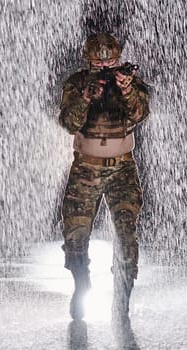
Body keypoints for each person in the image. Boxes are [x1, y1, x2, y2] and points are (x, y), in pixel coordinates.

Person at [58, 33, 150, 322]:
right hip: (86, 168)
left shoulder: (131, 84)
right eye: (100, 62)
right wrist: (86, 97)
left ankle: (123, 295)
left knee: (125, 234)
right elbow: (68, 122)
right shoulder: (77, 83)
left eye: (112, 61)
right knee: (75, 234)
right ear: (89, 60)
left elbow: (139, 115)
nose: (107, 67)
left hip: (122, 169)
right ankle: (80, 284)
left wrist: (127, 90)